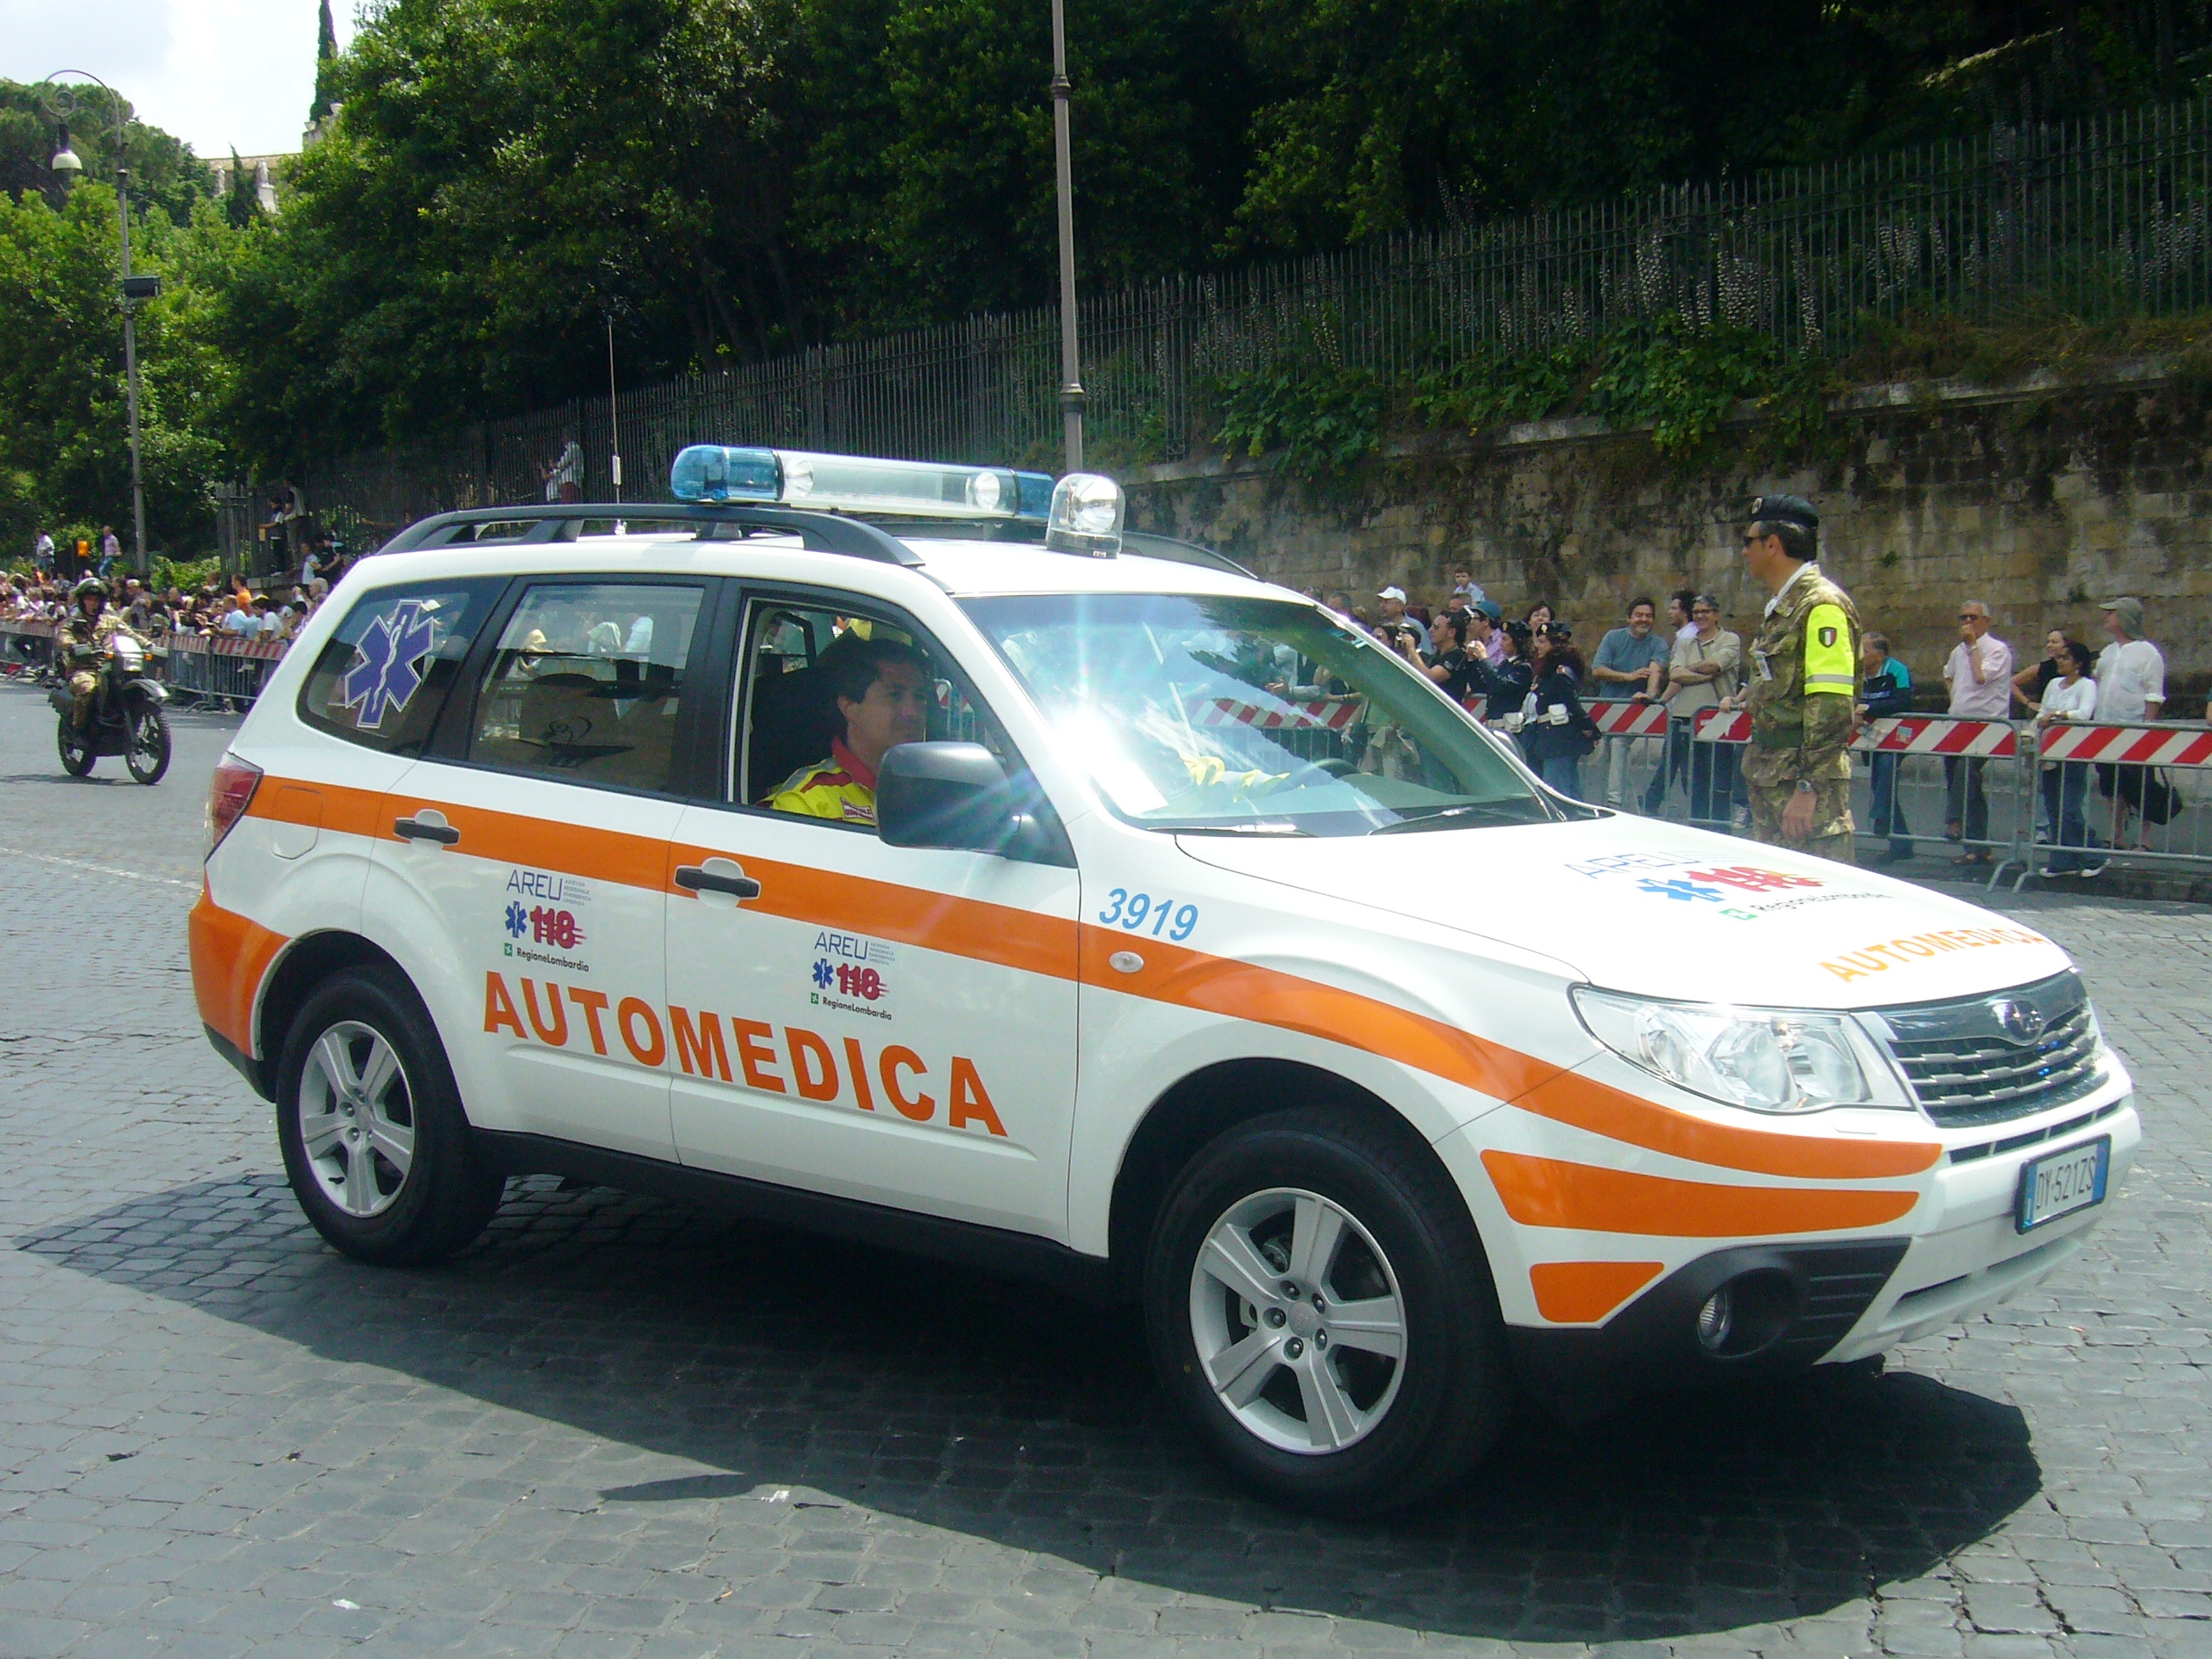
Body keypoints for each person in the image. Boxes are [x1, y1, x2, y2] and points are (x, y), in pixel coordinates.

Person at [1734, 494, 1860, 862]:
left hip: (1800, 785)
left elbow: (1834, 705)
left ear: (1772, 545)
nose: (1744, 552)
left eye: (1749, 542)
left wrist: (1809, 787)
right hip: (1774, 777)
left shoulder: (1821, 607)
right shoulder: (1784, 606)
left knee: (1821, 892)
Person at [767, 636, 931, 825]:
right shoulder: (808, 802)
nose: (912, 712)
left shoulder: (936, 788)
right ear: (849, 706)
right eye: (894, 695)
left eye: (919, 697)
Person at [1646, 594, 1740, 822]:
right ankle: (1697, 826)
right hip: (1685, 720)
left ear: (1716, 614)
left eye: (1705, 611)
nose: (1700, 616)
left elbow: (1714, 665)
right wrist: (1701, 674)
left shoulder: (1730, 640)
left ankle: (1719, 831)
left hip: (1719, 721)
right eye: (1696, 612)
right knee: (1694, 783)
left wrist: (1689, 671)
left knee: (1718, 785)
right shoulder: (1686, 643)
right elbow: (1675, 674)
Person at [1941, 599, 2012, 867]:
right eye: (1963, 618)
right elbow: (1947, 674)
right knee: (1963, 781)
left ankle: (1954, 820)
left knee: (1966, 771)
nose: (1967, 623)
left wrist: (1973, 647)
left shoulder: (1997, 650)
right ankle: (1978, 845)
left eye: (1972, 617)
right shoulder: (1958, 651)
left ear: (1986, 621)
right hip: (1959, 722)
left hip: (1987, 724)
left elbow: (1981, 677)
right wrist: (1954, 697)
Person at [2092, 595, 2167, 847]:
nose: (2106, 617)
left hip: (2134, 728)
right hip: (2106, 727)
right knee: (2112, 787)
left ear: (2124, 618)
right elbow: (2099, 683)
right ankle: (2116, 835)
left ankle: (2144, 838)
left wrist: (2147, 728)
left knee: (2141, 785)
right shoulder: (2108, 653)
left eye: (2112, 613)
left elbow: (2154, 694)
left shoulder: (2148, 654)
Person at [1590, 597, 1672, 807]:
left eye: (1648, 616)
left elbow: (1656, 670)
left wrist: (1650, 693)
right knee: (1610, 760)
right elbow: (1598, 669)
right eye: (1639, 615)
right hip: (1609, 709)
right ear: (1629, 618)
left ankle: (1614, 801)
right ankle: (1633, 809)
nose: (1643, 620)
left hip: (1635, 711)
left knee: (1619, 744)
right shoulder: (1613, 638)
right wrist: (1629, 677)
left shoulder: (1659, 644)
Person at [2036, 638, 2104, 877]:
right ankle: (2062, 858)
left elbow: (2084, 713)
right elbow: (2042, 712)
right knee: (2053, 807)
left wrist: (2057, 715)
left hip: (2074, 751)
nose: (2059, 661)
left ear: (2078, 663)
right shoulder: (2054, 684)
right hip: (2050, 750)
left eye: (2065, 657)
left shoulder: (2087, 685)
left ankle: (2094, 853)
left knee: (2070, 807)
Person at [1858, 632, 1916, 863]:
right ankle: (1901, 843)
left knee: (1886, 771)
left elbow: (1902, 702)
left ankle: (1881, 818)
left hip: (1896, 737)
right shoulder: (1857, 673)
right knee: (1881, 784)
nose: (1859, 654)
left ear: (1880, 654)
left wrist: (1867, 708)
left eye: (1865, 649)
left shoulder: (1897, 671)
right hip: (1868, 738)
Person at [1523, 624, 1593, 798]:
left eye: (1542, 642)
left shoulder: (1560, 673)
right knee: (1566, 789)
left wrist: (1590, 728)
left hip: (1559, 741)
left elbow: (1572, 704)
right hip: (1549, 741)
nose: (1537, 646)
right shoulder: (1547, 674)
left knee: (1559, 793)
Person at [55, 578, 132, 733]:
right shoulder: (72, 622)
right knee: (86, 688)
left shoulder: (111, 621)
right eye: (89, 599)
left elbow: (131, 635)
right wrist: (72, 646)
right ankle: (79, 730)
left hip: (112, 667)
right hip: (84, 669)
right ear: (82, 601)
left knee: (132, 688)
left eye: (96, 600)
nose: (93, 603)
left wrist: (150, 646)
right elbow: (63, 638)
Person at [2011, 628, 2069, 716]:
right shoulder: (2041, 668)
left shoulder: (2078, 668)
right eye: (2048, 642)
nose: (2049, 645)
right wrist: (2027, 702)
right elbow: (2010, 683)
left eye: (2054, 642)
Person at [1374, 586, 1430, 655]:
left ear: (1400, 606)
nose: (1382, 606)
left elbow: (1427, 652)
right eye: (1381, 602)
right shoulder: (1382, 627)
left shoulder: (1416, 626)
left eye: (1386, 602)